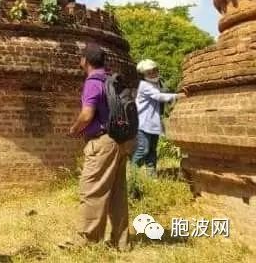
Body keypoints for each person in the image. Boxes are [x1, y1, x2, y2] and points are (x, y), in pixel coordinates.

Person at [66, 43, 129, 251]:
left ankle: (87, 241)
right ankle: (121, 242)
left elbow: (87, 114)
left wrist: (75, 128)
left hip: (102, 143)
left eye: (81, 58)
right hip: (119, 141)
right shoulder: (111, 80)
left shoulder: (93, 82)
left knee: (91, 191)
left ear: (85, 61)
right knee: (117, 194)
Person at [132, 59, 181, 175]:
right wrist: (177, 96)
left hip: (153, 124)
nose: (153, 73)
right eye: (149, 72)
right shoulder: (144, 85)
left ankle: (151, 176)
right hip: (143, 124)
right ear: (143, 75)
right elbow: (159, 96)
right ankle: (131, 174)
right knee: (143, 150)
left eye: (154, 70)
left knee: (152, 151)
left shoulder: (157, 83)